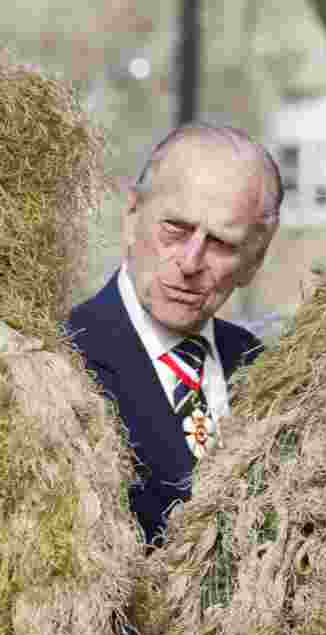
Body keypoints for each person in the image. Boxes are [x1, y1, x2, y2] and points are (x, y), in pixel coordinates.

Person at [66, 123, 283, 547]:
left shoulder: (268, 371)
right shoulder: (60, 361)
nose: (190, 261)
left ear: (254, 262)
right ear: (131, 216)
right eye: (176, 229)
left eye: (220, 242)